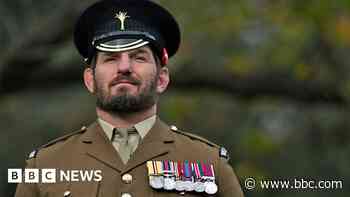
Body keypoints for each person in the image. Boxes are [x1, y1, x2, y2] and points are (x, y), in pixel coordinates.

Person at [15, 0, 244, 196]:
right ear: (90, 80)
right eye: (111, 58)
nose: (124, 67)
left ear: (162, 79)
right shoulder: (45, 165)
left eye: (138, 57)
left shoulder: (209, 163)